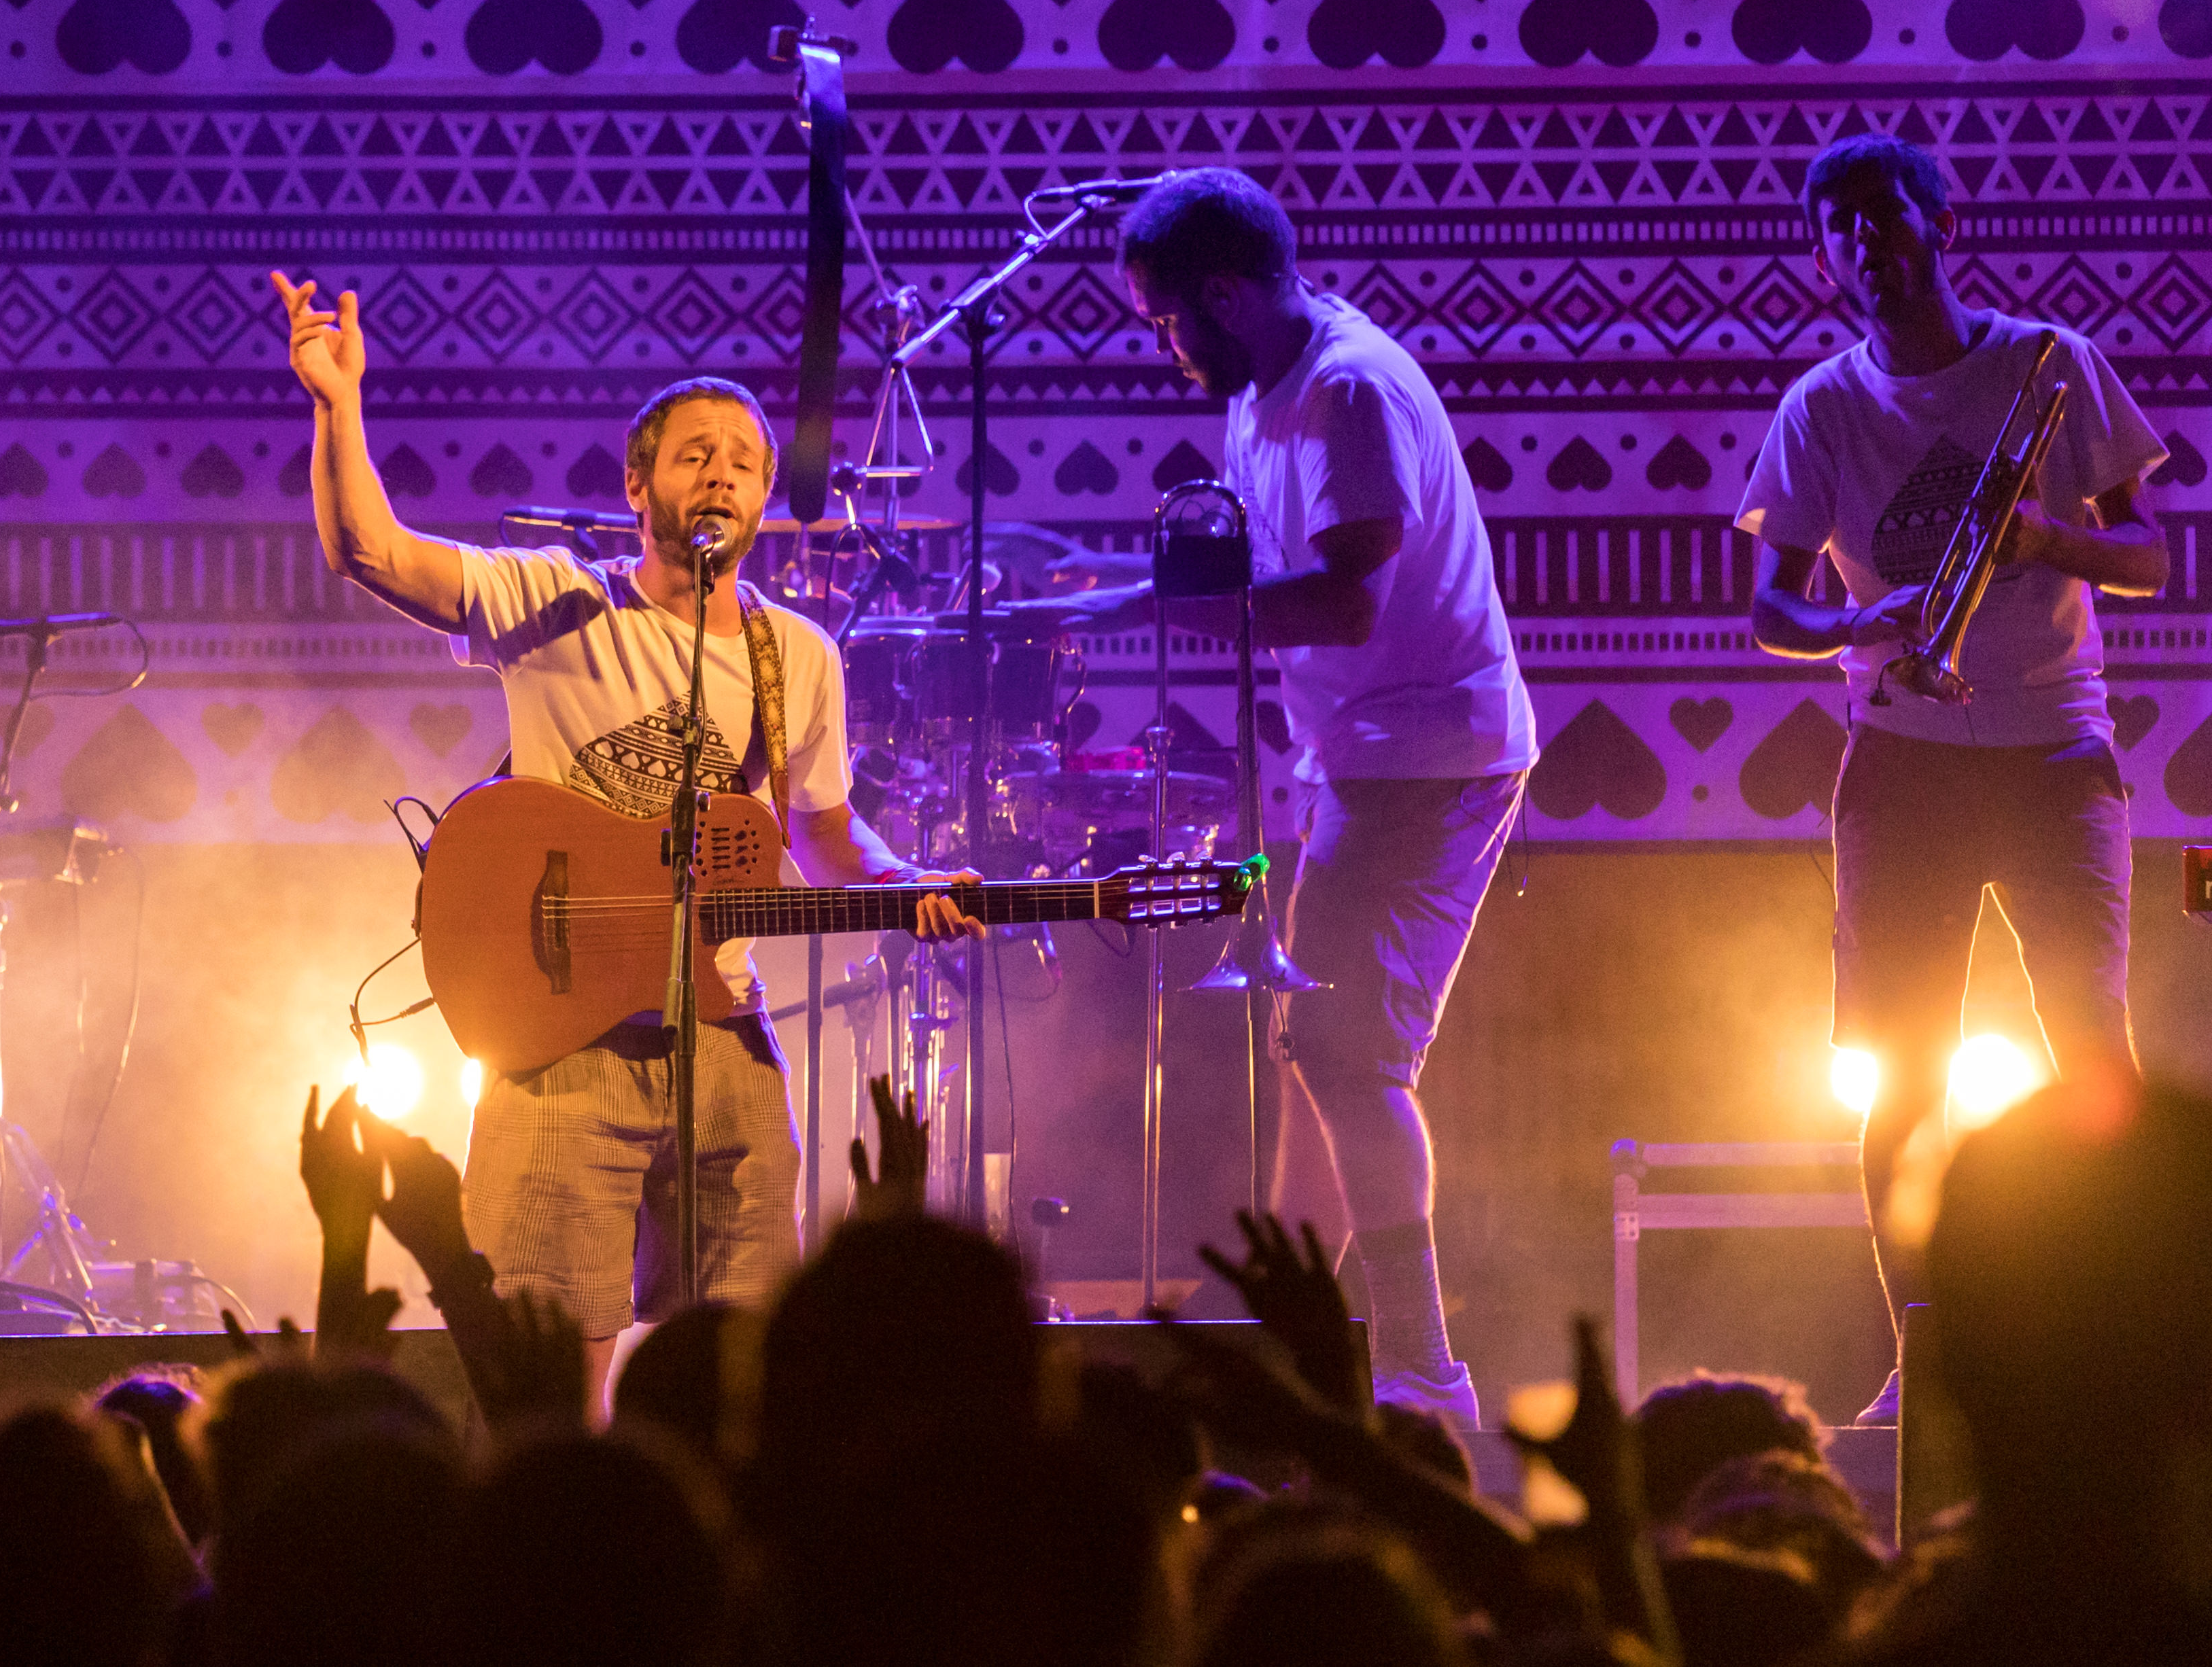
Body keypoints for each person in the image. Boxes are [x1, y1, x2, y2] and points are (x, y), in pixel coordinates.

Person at [271, 271, 982, 1414]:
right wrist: (336, 404)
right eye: (695, 455)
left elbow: (823, 832)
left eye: (744, 461)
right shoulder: (557, 602)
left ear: (766, 497)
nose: (723, 475)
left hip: (728, 1044)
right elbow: (373, 552)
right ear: (637, 484)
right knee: (547, 1391)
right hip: (559, 1048)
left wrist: (907, 883)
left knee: (749, 1388)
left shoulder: (797, 654)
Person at [1065, 170, 1536, 1425]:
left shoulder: (1346, 391)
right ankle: (1298, 1342)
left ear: (1225, 294)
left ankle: (1420, 1366)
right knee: (1316, 1047)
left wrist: (1143, 608)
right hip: (1368, 754)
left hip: (1429, 756)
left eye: (1168, 320)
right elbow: (1264, 577)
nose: (1163, 345)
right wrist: (1107, 578)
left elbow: (1343, 603)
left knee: (1346, 1051)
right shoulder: (1263, 387)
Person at [1734, 135, 2166, 1424]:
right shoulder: (1819, 408)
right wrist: (1856, 625)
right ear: (1822, 258)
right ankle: (1926, 1362)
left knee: (2091, 1059)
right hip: (1899, 762)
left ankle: (2117, 1347)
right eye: (1838, 229)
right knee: (1901, 1079)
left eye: (1884, 217)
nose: (1864, 244)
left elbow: (2150, 560)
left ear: (1940, 223)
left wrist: (2038, 539)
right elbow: (1771, 610)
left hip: (2054, 756)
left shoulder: (2050, 364)